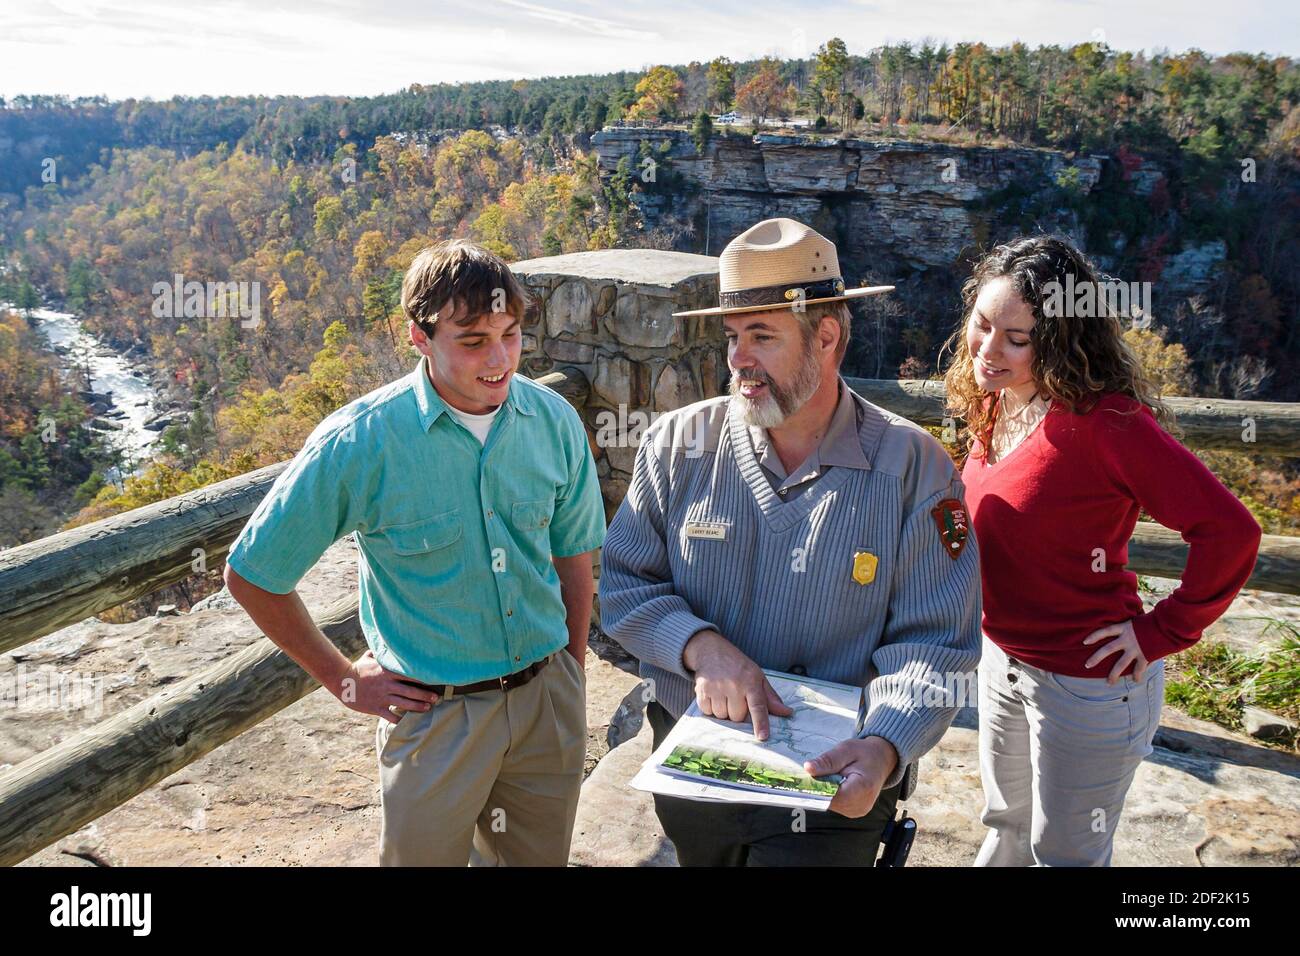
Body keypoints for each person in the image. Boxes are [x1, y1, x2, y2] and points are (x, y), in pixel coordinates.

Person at [599, 217, 982, 866]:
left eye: (762, 336)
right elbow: (625, 587)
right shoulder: (677, 445)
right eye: (732, 336)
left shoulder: (916, 468)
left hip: (835, 782)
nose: (737, 358)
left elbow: (937, 643)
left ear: (825, 336)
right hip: (695, 778)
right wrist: (700, 648)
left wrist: (887, 745)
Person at [223, 239, 606, 866]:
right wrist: (343, 680)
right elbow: (253, 575)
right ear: (419, 339)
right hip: (437, 720)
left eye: (511, 334)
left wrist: (570, 670)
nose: (501, 359)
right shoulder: (361, 442)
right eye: (474, 339)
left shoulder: (554, 422)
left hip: (545, 702)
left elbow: (574, 553)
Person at [943, 235, 1263, 866]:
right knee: (1006, 826)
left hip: (1086, 684)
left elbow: (1232, 532)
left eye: (1018, 337)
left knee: (1064, 852)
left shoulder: (1107, 424)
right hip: (1001, 662)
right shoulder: (994, 405)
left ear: (1061, 338)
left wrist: (1161, 632)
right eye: (983, 326)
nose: (990, 349)